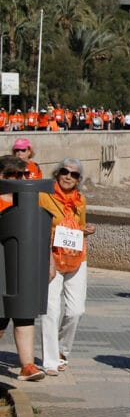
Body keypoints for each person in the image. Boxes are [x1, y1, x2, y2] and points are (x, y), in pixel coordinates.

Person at [37, 158, 95, 374]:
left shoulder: (80, 201)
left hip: (76, 257)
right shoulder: (44, 196)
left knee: (76, 310)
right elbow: (38, 224)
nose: (69, 177)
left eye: (74, 174)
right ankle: (51, 360)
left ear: (79, 179)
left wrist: (85, 230)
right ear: (57, 173)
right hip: (51, 256)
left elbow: (78, 227)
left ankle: (62, 350)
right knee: (51, 309)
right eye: (65, 172)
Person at [0, 155, 43, 379]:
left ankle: (27, 366)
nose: (20, 179)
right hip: (1, 268)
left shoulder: (28, 201)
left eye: (24, 175)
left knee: (24, 315)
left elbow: (41, 233)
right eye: (14, 175)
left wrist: (50, 263)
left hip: (22, 267)